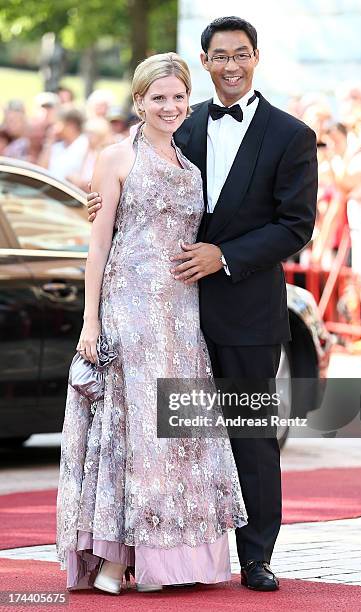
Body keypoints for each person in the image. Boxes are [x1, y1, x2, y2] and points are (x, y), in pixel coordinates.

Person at [87, 16, 318, 591]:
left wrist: (226, 256)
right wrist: (102, 200)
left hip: (245, 309)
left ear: (256, 58)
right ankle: (165, 550)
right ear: (206, 61)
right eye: (220, 56)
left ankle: (257, 556)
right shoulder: (181, 124)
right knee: (171, 436)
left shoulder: (291, 135)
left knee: (250, 434)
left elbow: (296, 224)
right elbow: (138, 177)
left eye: (241, 54)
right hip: (166, 313)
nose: (231, 65)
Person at [56, 52, 247, 594]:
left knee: (177, 432)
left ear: (189, 101)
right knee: (132, 431)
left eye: (178, 97)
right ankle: (116, 559)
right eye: (158, 97)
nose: (169, 106)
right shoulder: (115, 158)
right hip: (129, 309)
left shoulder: (192, 164)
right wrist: (90, 321)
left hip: (182, 315)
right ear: (139, 101)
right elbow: (98, 246)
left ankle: (171, 558)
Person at [38, 108, 88, 181]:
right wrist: (49, 142)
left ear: (71, 125)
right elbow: (41, 171)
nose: (53, 128)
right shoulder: (56, 146)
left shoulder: (85, 144)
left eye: (57, 123)